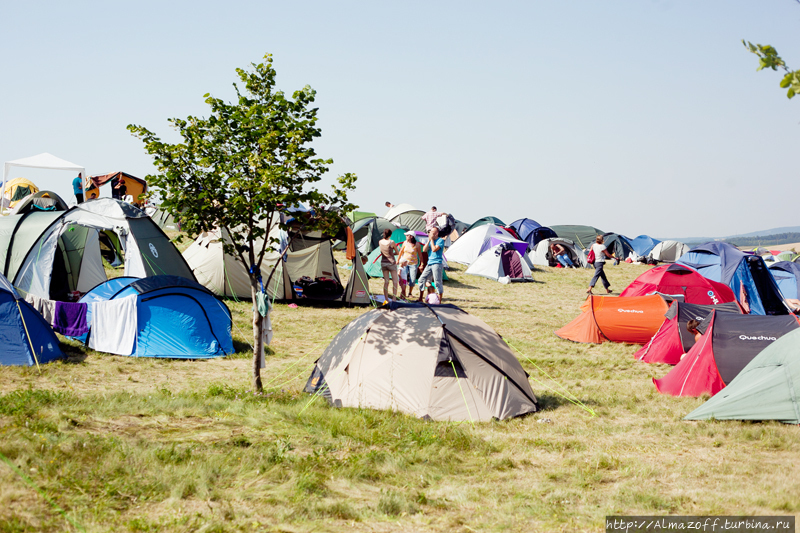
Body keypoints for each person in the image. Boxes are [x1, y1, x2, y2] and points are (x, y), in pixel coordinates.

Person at [418, 227, 445, 303]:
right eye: (429, 232)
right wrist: (429, 240)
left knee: (437, 282)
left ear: (436, 233)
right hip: (429, 263)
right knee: (421, 279)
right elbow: (424, 250)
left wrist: (432, 240)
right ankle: (421, 298)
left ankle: (439, 301)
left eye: (432, 232)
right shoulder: (430, 241)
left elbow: (434, 249)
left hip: (437, 263)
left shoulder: (440, 241)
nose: (430, 233)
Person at [398, 233, 422, 300]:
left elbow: (420, 254)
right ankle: (403, 292)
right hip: (404, 263)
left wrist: (422, 263)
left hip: (413, 264)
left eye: (407, 235)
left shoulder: (417, 244)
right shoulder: (405, 243)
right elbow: (401, 252)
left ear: (411, 236)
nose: (405, 236)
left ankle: (410, 293)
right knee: (404, 278)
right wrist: (398, 260)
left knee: (412, 279)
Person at [378, 228, 399, 304]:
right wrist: (392, 254)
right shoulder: (391, 242)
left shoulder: (380, 242)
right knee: (395, 281)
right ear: (390, 235)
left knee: (386, 281)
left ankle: (386, 298)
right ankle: (393, 298)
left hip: (383, 263)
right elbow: (397, 252)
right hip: (391, 263)